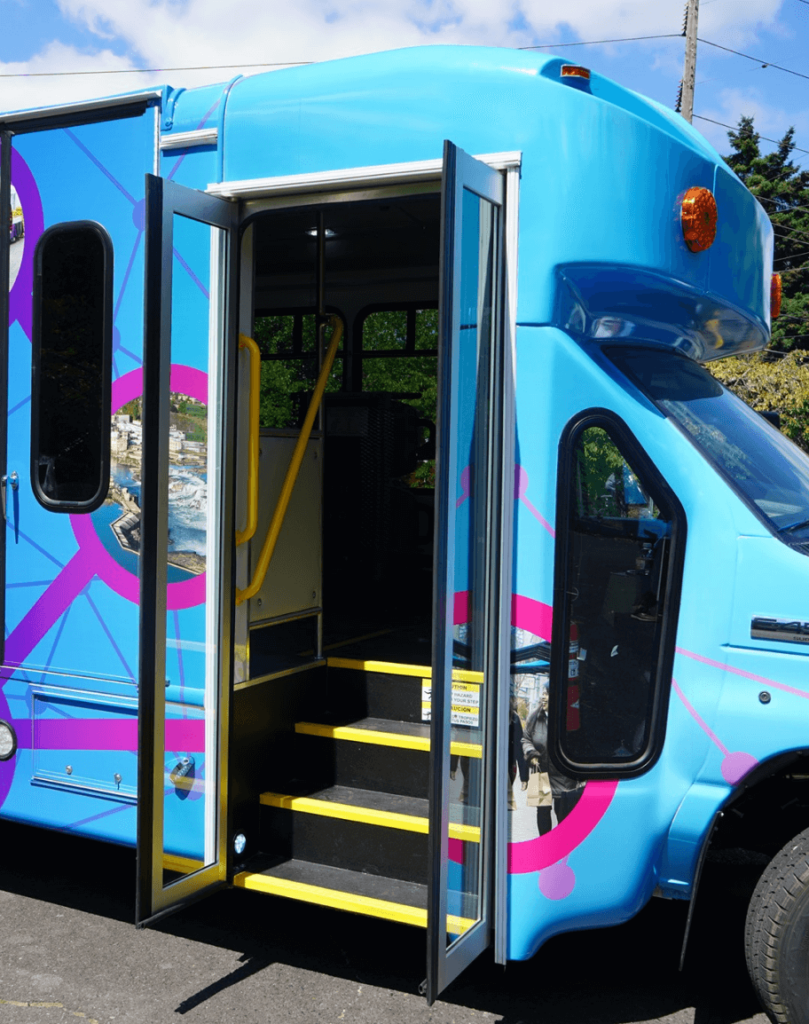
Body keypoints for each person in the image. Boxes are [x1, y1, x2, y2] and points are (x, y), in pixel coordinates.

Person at [521, 685, 583, 834]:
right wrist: (532, 754)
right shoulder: (535, 716)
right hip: (539, 772)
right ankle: (544, 845)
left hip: (563, 775)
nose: (543, 697)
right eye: (542, 693)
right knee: (542, 813)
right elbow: (526, 739)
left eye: (547, 694)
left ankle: (562, 847)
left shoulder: (570, 717)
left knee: (563, 814)